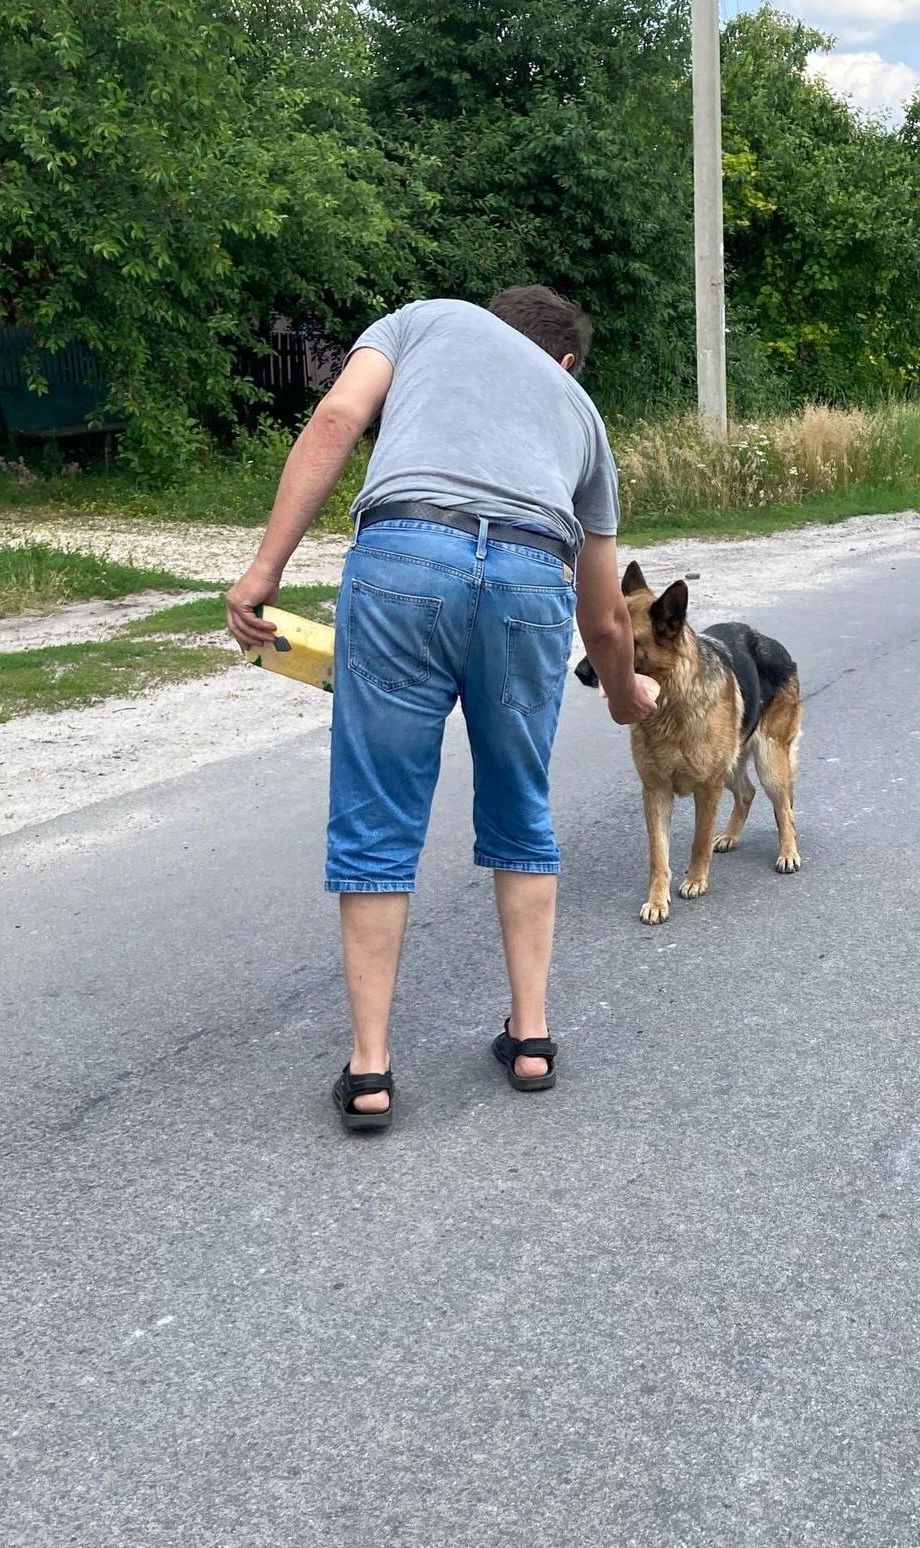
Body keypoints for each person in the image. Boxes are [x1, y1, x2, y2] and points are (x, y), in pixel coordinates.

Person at [225, 286, 658, 1131]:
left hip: (405, 560)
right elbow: (605, 616)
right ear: (563, 361)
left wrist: (263, 572)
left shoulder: (422, 320)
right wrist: (620, 695)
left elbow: (333, 422)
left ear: (495, 327)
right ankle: (531, 1039)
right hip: (533, 578)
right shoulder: (581, 411)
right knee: (518, 803)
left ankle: (371, 1069)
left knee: (378, 806)